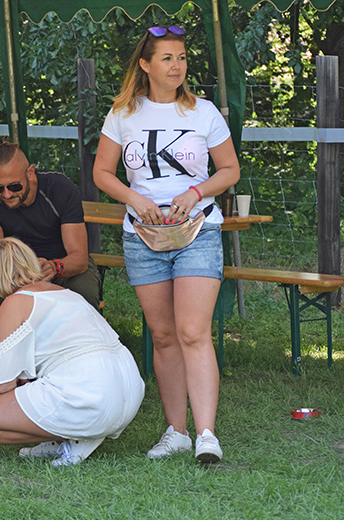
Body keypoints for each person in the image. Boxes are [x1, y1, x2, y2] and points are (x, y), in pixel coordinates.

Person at [92, 25, 240, 464]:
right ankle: (176, 430)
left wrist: (196, 193)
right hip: (142, 235)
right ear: (146, 65)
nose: (177, 66)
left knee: (193, 332)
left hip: (198, 230)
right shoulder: (123, 114)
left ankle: (206, 433)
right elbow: (103, 173)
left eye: (181, 57)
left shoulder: (204, 112)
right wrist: (135, 198)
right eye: (167, 58)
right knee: (162, 335)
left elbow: (229, 169)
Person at [0, 237, 145, 467]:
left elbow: (2, 385)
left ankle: (72, 435)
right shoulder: (67, 293)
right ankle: (75, 433)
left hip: (88, 393)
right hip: (128, 391)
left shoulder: (15, 301)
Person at [0, 142, 101, 363]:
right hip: (14, 267)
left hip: (62, 263)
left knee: (84, 290)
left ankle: (91, 360)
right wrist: (20, 275)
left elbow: (79, 258)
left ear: (30, 173)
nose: (5, 194)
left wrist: (55, 267)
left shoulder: (59, 188)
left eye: (14, 186)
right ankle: (0, 371)